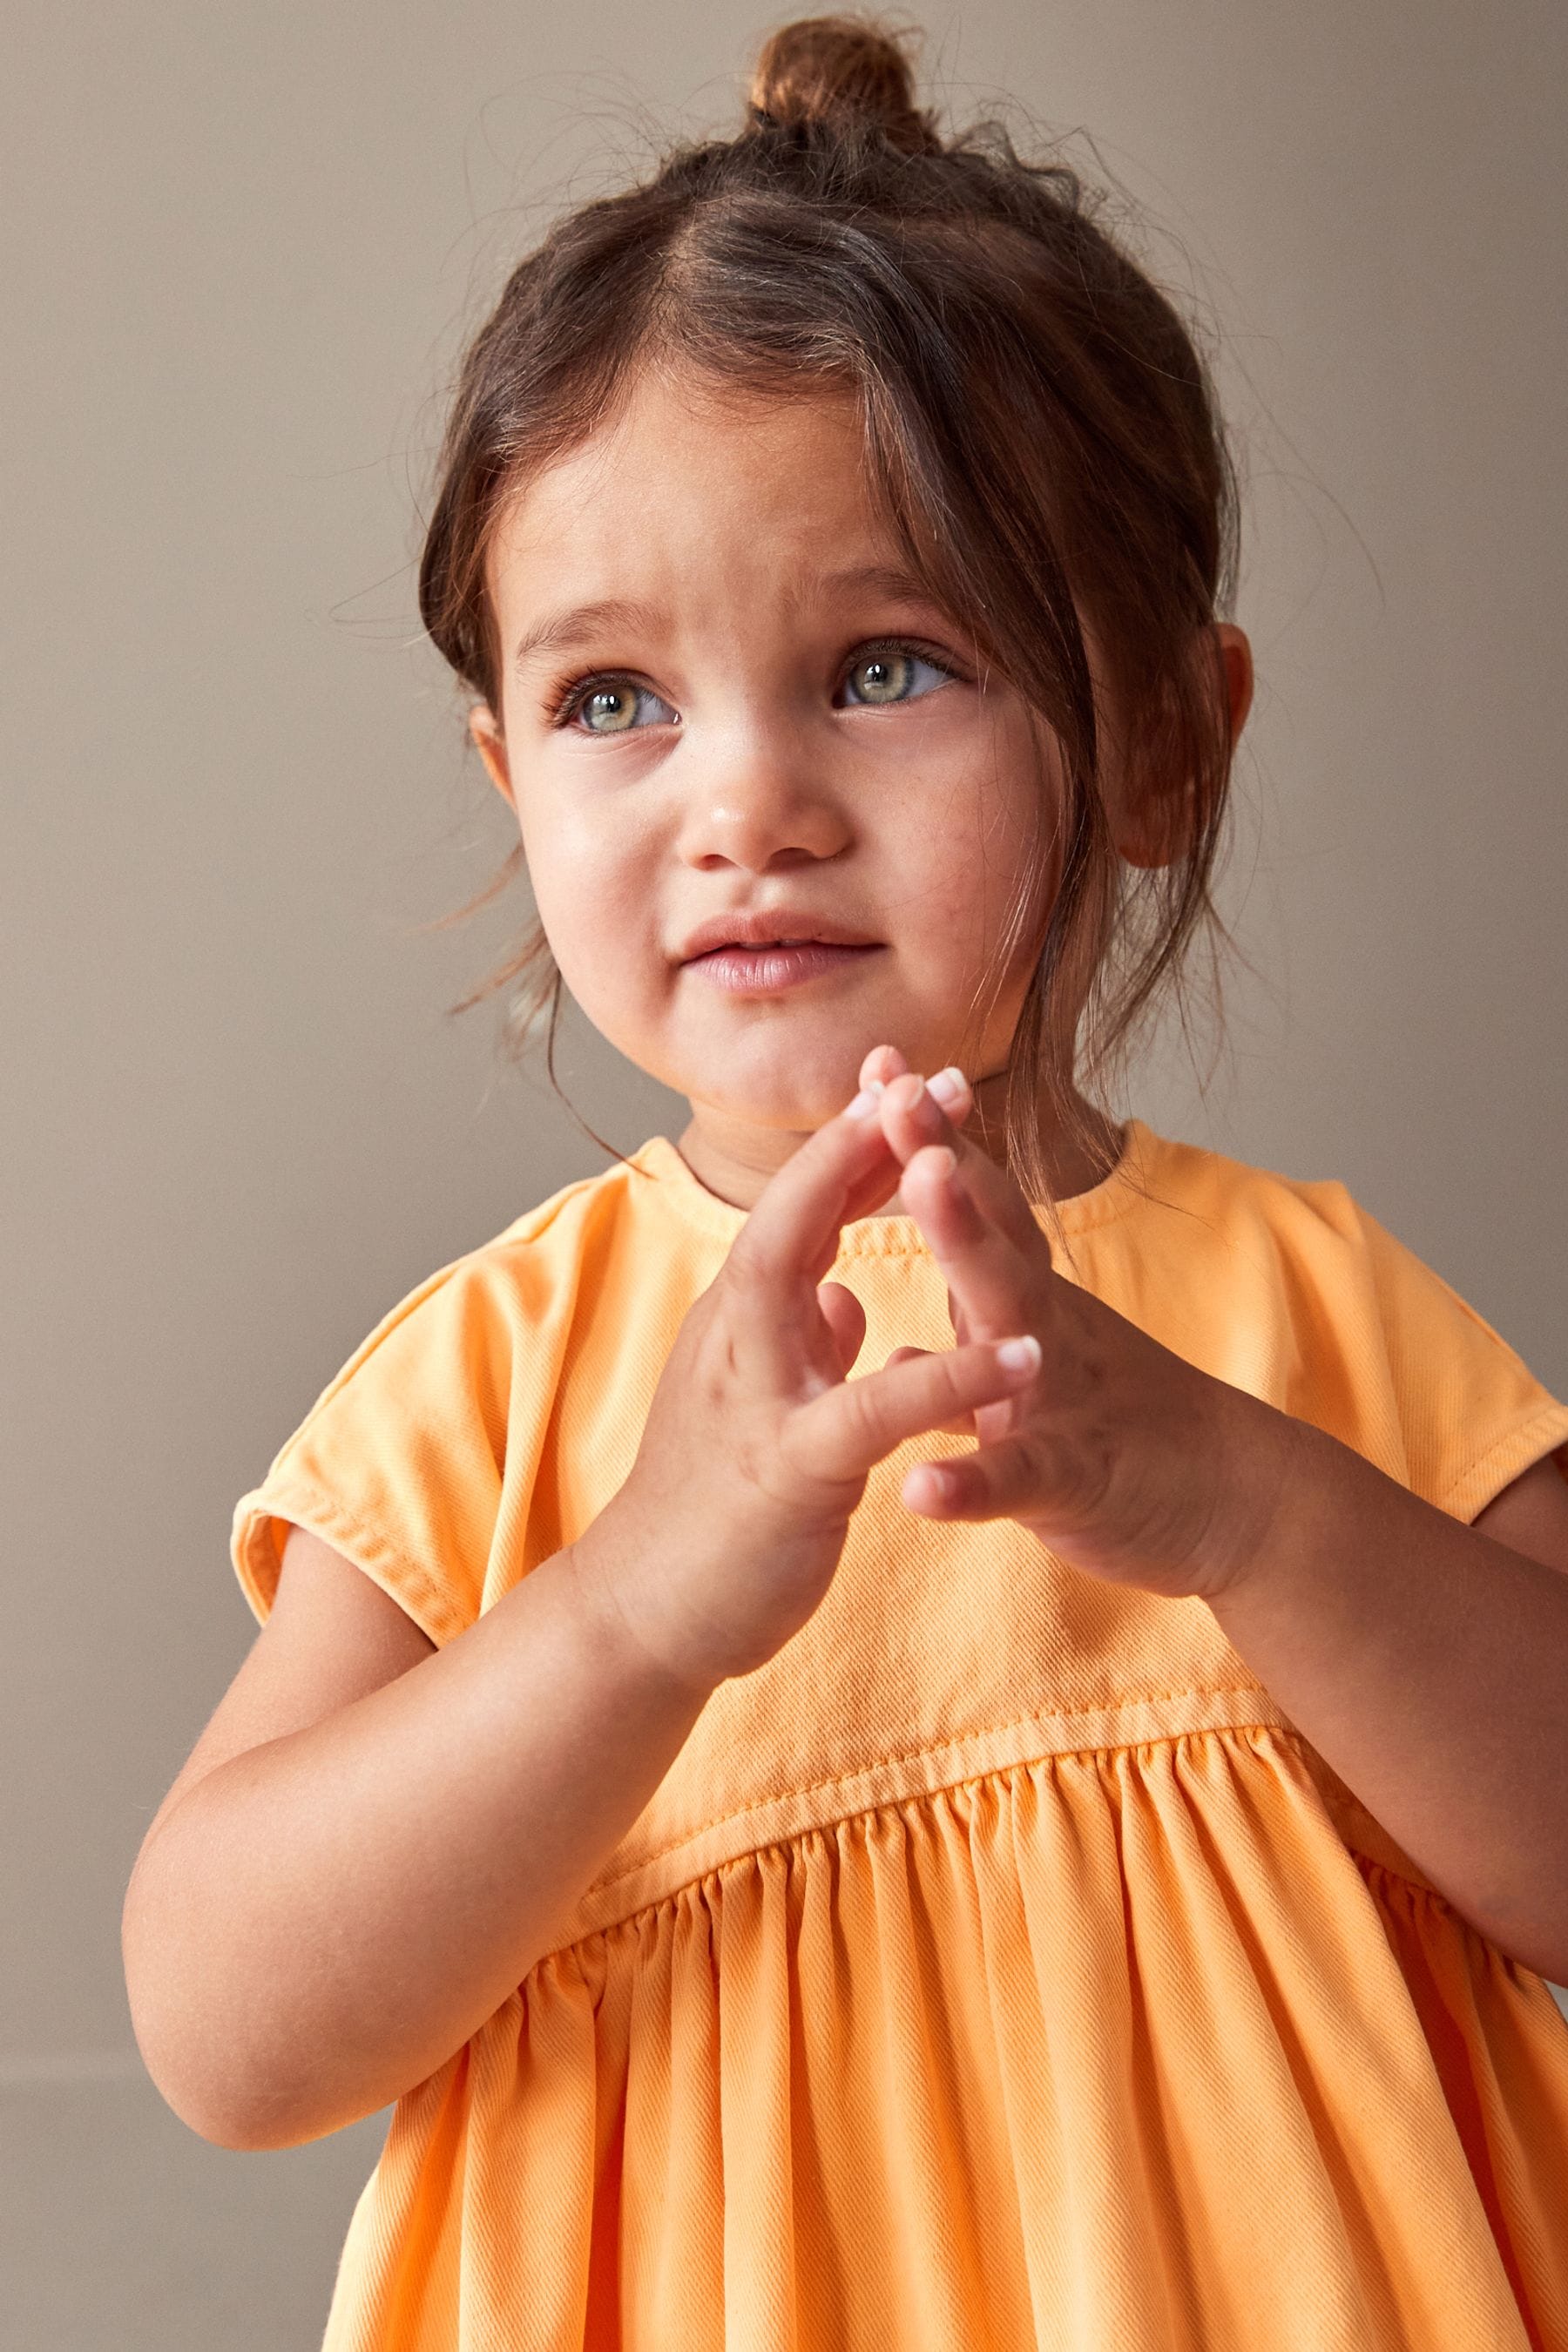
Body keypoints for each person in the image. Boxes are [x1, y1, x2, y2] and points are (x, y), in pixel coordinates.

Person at [122, 16, 1568, 2348]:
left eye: (887, 663)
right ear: (508, 767)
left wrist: (1233, 1498)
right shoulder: (488, 1388)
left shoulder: (1308, 1313)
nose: (745, 802)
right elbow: (224, 2024)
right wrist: (634, 1608)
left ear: (1166, 741)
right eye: (616, 700)